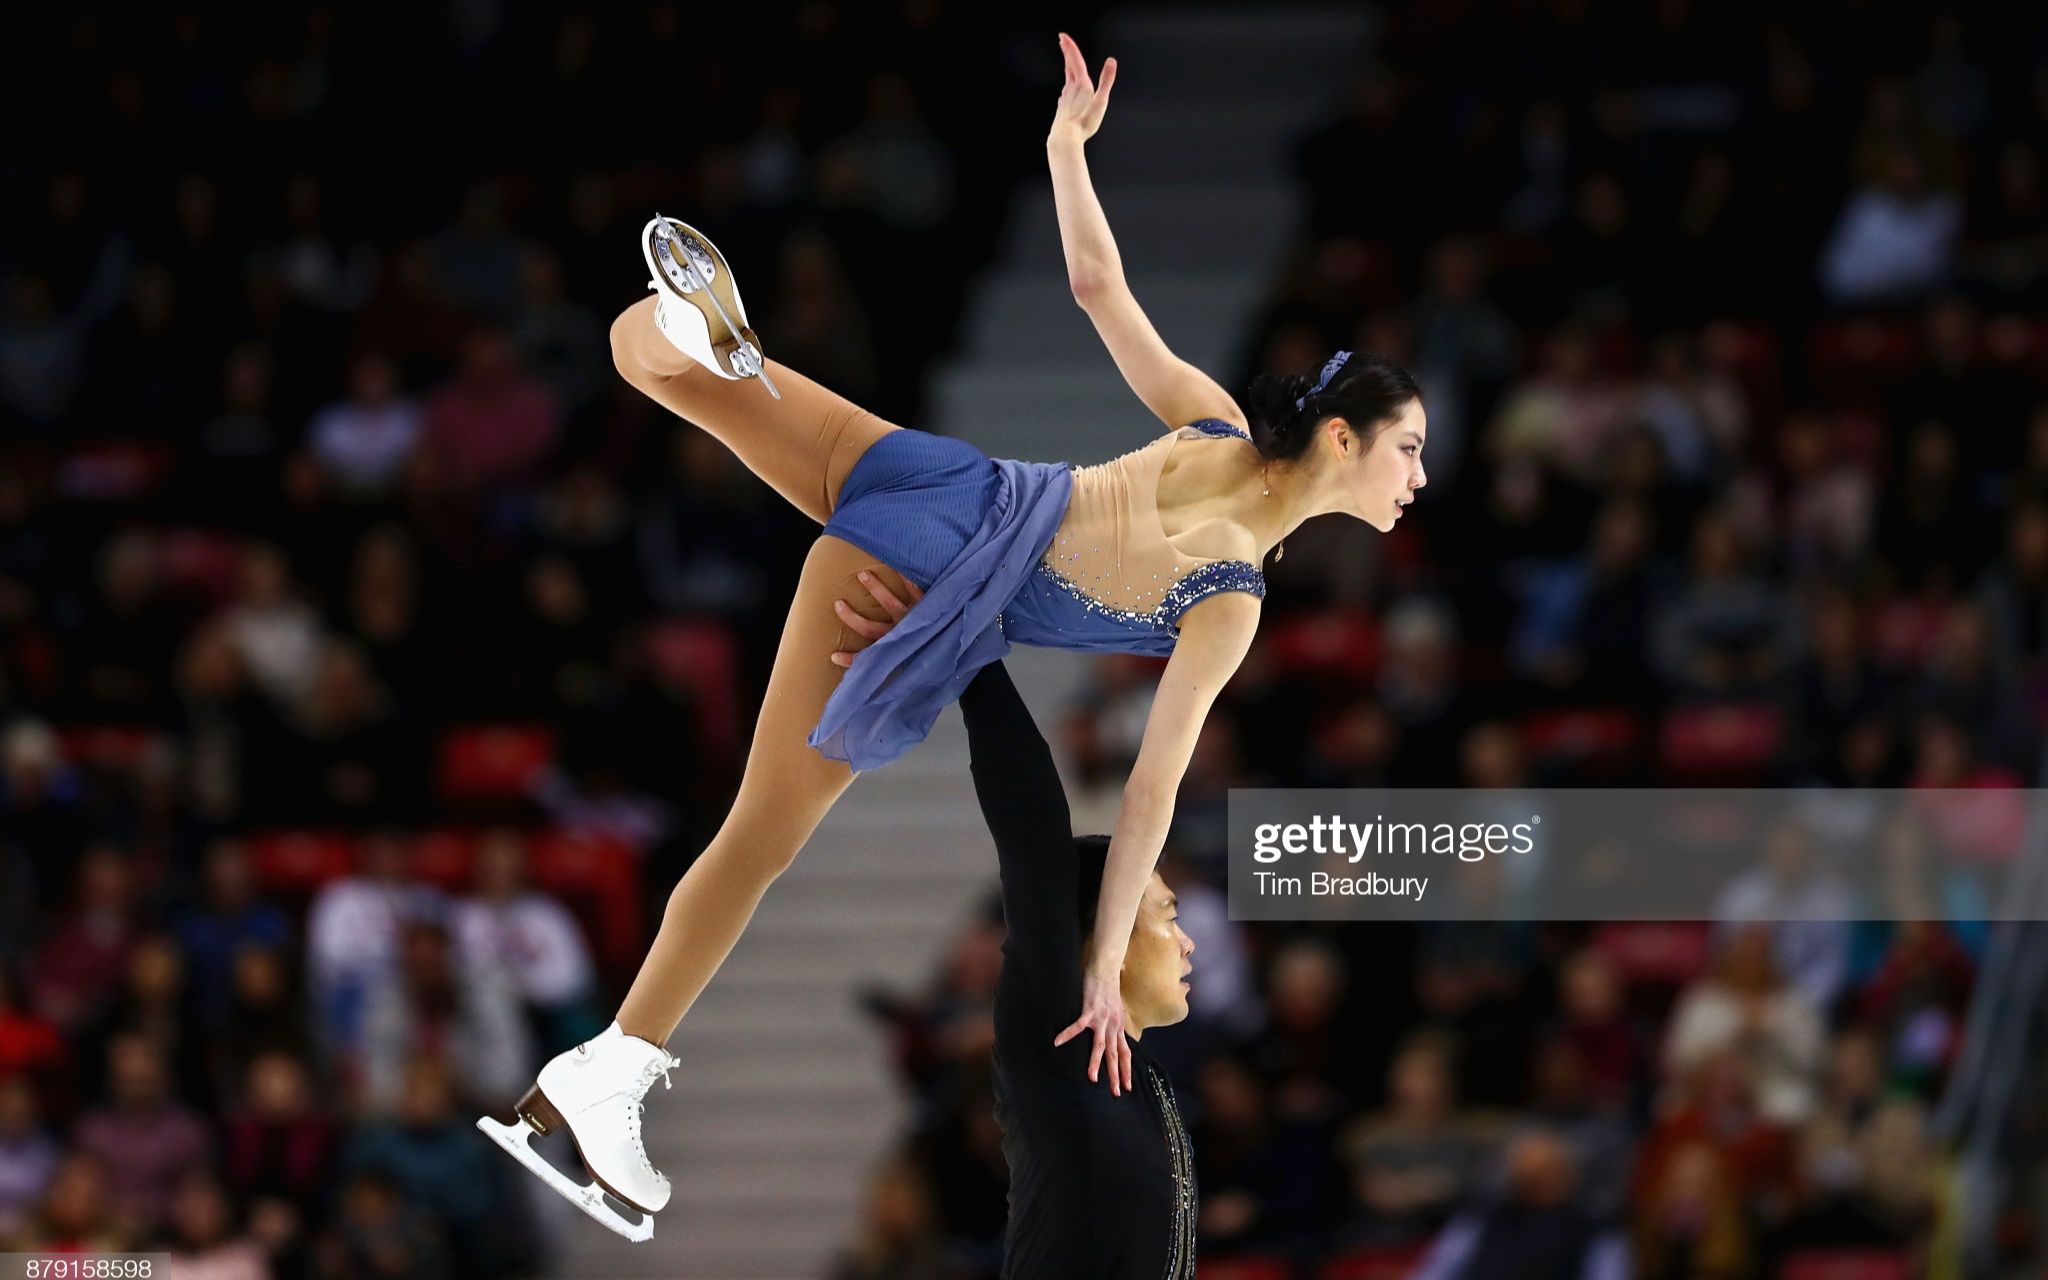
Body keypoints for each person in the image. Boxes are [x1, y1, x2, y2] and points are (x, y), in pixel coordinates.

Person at [480, 32, 1427, 1241]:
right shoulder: (1232, 592)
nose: (1417, 474)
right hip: (930, 565)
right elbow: (1146, 789)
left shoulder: (1213, 421)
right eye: (1405, 446)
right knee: (759, 836)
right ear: (1340, 442)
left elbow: (1097, 290)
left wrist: (1063, 150)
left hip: (944, 479)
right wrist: (1100, 962)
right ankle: (610, 1069)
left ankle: (687, 330)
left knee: (671, 369)